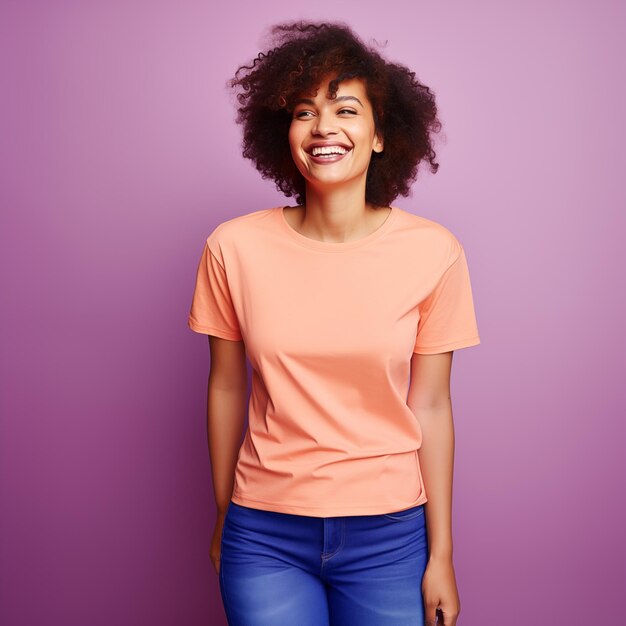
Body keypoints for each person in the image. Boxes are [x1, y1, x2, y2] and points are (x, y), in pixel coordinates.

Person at [188, 20, 480, 626]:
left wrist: (442, 554)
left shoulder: (434, 253)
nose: (323, 128)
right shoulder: (233, 247)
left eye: (346, 109)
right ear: (283, 133)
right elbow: (224, 385)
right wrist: (224, 513)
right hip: (263, 532)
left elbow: (431, 406)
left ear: (380, 136)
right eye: (304, 111)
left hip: (391, 536)